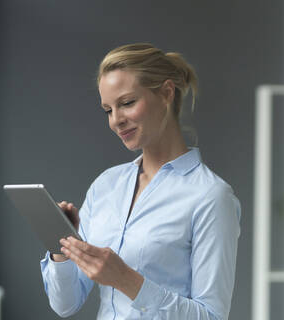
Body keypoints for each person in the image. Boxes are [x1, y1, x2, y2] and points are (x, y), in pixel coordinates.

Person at [40, 43, 241, 319]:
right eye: (108, 110)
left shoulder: (210, 196)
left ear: (167, 93)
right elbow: (65, 304)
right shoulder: (106, 185)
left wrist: (126, 279)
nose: (116, 121)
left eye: (126, 103)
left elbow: (211, 316)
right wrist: (61, 248)